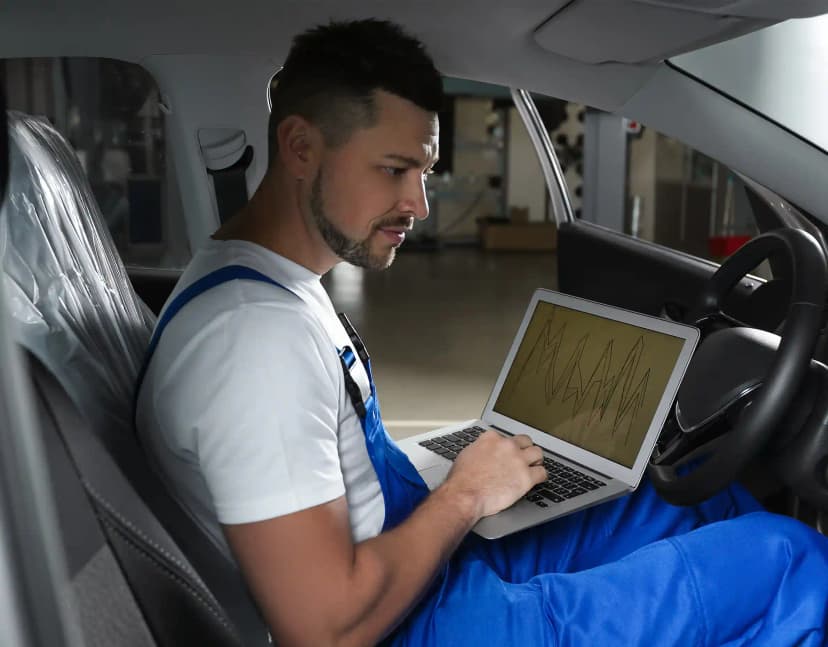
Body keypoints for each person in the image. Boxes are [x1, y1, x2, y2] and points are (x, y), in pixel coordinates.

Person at [135, 18, 828, 647]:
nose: (419, 203)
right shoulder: (254, 345)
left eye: (425, 170)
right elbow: (326, 630)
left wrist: (480, 464)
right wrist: (465, 492)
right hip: (413, 624)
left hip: (406, 558)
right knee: (793, 556)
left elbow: (329, 469)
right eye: (394, 169)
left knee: (681, 499)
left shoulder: (261, 280)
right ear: (300, 147)